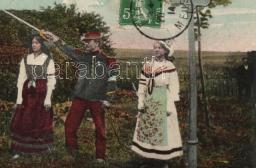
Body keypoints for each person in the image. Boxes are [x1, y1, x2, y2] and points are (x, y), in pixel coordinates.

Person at [45, 31, 118, 163]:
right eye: (84, 41)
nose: (85, 44)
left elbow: (113, 82)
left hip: (98, 99)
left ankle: (100, 156)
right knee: (69, 125)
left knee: (100, 129)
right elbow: (67, 49)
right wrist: (56, 39)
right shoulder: (82, 55)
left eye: (88, 41)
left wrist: (108, 100)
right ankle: (72, 152)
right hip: (80, 98)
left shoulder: (109, 60)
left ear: (97, 43)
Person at [131, 41, 182, 168]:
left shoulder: (170, 66)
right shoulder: (148, 65)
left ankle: (163, 161)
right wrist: (141, 102)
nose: (157, 50)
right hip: (149, 100)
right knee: (149, 130)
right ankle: (149, 159)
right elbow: (142, 85)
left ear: (165, 51)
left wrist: (170, 105)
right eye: (155, 48)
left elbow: (174, 86)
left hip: (163, 99)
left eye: (159, 48)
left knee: (163, 131)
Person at [10, 34, 56, 159]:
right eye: (33, 42)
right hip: (28, 94)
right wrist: (19, 98)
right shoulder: (26, 59)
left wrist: (48, 99)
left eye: (37, 43)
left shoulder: (48, 59)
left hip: (41, 93)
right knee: (24, 119)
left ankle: (40, 150)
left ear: (42, 44)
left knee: (40, 120)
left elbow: (51, 80)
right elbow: (21, 79)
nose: (34, 45)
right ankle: (20, 149)